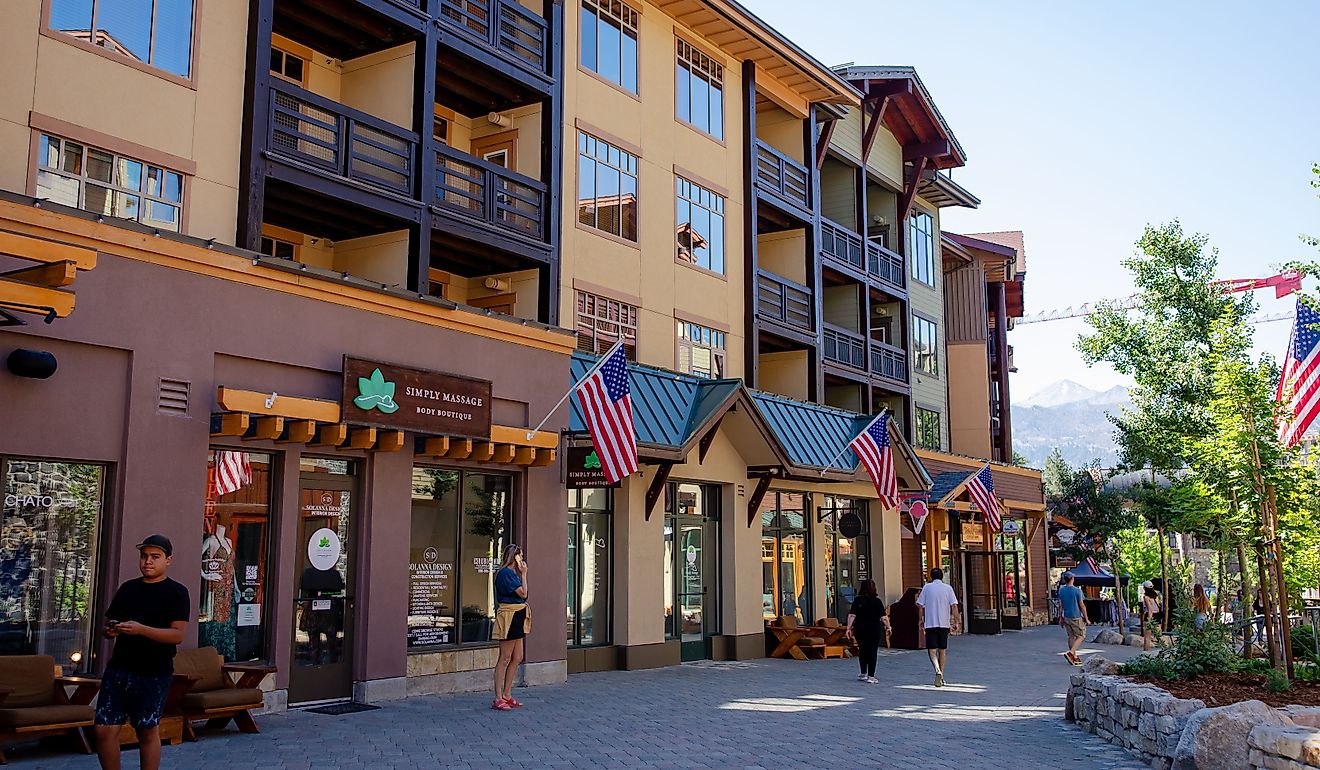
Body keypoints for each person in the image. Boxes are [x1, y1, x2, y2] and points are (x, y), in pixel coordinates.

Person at [95, 535, 190, 770]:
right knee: (103, 730)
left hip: (153, 672)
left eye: (155, 557)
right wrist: (111, 630)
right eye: (144, 556)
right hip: (119, 668)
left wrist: (141, 630)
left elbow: (177, 635)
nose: (148, 561)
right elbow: (107, 623)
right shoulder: (128, 588)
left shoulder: (176, 592)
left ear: (168, 560)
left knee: (146, 730)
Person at [491, 543, 529, 711]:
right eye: (520, 555)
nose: (522, 559)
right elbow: (523, 593)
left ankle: (507, 694)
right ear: (515, 557)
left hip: (519, 614)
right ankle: (498, 697)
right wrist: (525, 574)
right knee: (505, 658)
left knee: (517, 656)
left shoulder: (512, 573)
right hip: (509, 616)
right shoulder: (506, 573)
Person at [916, 567, 960, 687]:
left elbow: (920, 605)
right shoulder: (948, 588)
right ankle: (942, 675)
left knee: (932, 650)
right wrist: (956, 622)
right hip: (944, 624)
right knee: (942, 650)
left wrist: (921, 619)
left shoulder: (926, 588)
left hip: (930, 623)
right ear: (941, 576)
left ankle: (937, 669)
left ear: (930, 576)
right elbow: (954, 606)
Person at [844, 580, 890, 684]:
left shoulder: (857, 600)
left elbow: (852, 615)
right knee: (872, 651)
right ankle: (871, 676)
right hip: (874, 629)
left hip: (860, 629)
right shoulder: (877, 601)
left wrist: (848, 628)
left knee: (862, 650)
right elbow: (883, 617)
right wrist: (888, 627)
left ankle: (863, 673)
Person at [1057, 572, 1089, 665]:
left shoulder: (1061, 590)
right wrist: (1086, 618)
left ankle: (1074, 657)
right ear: (1072, 579)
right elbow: (1082, 605)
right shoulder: (1077, 591)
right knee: (1081, 635)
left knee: (1071, 636)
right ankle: (1071, 653)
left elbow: (1060, 605)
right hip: (1075, 616)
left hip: (1066, 615)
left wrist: (1060, 618)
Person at [1140, 582, 1161, 651]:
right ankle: (1162, 650)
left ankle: (1145, 652)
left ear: (1145, 588)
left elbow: (1150, 609)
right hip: (1157, 616)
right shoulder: (1156, 596)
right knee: (1158, 635)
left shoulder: (1146, 597)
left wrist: (1150, 620)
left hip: (1150, 616)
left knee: (1147, 636)